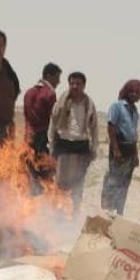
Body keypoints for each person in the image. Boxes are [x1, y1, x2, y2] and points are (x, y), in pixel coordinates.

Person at [49, 71, 98, 214]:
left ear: (84, 85)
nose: (74, 86)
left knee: (78, 184)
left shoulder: (88, 103)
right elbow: (53, 123)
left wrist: (94, 147)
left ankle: (74, 213)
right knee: (60, 184)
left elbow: (94, 128)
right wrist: (51, 144)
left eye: (78, 83)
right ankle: (58, 214)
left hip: (81, 146)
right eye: (72, 83)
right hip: (64, 145)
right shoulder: (62, 102)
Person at [101, 79, 140, 215]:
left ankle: (120, 212)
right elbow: (111, 127)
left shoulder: (135, 111)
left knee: (125, 184)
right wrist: (115, 149)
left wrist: (136, 155)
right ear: (127, 91)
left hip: (130, 150)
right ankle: (108, 212)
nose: (135, 95)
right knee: (113, 181)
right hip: (119, 148)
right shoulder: (117, 106)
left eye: (138, 92)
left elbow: (133, 135)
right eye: (132, 91)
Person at [23, 63, 61, 192]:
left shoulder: (29, 92)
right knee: (46, 175)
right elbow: (53, 120)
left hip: (27, 139)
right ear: (49, 76)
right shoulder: (50, 94)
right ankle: (43, 206)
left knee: (30, 174)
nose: (58, 82)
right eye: (57, 78)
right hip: (42, 140)